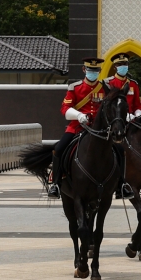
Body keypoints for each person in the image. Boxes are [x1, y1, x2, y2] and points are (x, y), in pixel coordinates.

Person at [48, 57, 106, 199]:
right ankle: (55, 183)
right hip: (77, 128)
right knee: (59, 149)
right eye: (90, 70)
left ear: (100, 71)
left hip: (100, 131)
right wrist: (79, 115)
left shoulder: (105, 88)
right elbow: (65, 108)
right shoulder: (75, 88)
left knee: (120, 150)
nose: (93, 72)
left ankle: (122, 184)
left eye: (96, 70)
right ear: (84, 69)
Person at [104, 52, 141, 198]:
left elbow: (138, 105)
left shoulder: (133, 84)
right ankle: (120, 182)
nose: (123, 67)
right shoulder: (108, 84)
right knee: (120, 149)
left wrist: (137, 113)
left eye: (125, 64)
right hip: (115, 124)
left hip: (131, 123)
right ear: (115, 67)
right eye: (120, 65)